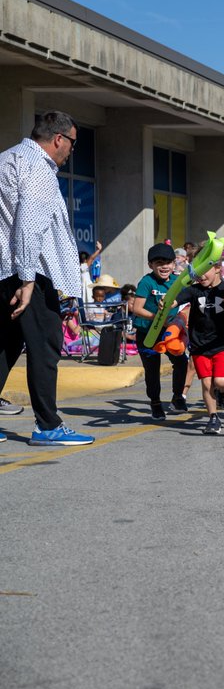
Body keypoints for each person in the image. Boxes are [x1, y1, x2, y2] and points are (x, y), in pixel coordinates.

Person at [0, 112, 95, 444]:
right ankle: (48, 425)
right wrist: (28, 281)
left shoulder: (6, 159)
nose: (71, 151)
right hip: (28, 272)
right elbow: (28, 226)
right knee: (45, 344)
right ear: (58, 139)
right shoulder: (39, 167)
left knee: (7, 343)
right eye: (72, 143)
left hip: (2, 269)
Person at [174, 266, 224, 435]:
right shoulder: (194, 290)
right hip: (199, 344)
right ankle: (213, 418)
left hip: (222, 343)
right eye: (197, 273)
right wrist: (167, 301)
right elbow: (176, 301)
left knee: (220, 382)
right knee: (207, 383)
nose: (200, 276)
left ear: (217, 268)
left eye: (204, 271)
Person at [131, 242, 191, 419]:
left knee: (181, 362)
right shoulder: (147, 282)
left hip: (169, 332)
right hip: (147, 332)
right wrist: (158, 318)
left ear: (174, 264)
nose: (164, 266)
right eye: (158, 263)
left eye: (167, 262)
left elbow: (190, 298)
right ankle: (155, 403)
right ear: (151, 265)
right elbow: (137, 308)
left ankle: (177, 397)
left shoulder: (178, 281)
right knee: (152, 369)